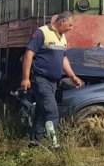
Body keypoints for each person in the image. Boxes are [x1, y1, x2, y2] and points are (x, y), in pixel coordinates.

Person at [20, 12, 83, 147]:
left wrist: (73, 76)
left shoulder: (63, 38)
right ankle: (53, 145)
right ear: (62, 22)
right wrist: (25, 78)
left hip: (53, 82)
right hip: (40, 79)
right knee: (52, 111)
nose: (71, 28)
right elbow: (28, 55)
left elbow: (63, 59)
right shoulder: (41, 33)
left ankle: (34, 143)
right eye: (70, 25)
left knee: (41, 111)